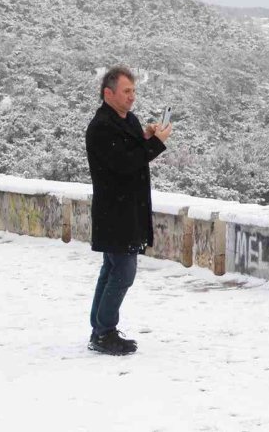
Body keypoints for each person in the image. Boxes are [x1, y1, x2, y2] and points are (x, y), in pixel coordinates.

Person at [85, 65, 171, 355]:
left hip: (129, 210)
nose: (132, 96)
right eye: (126, 91)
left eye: (133, 91)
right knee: (123, 271)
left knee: (112, 269)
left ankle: (100, 329)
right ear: (108, 93)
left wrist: (146, 136)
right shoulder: (101, 127)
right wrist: (157, 144)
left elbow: (131, 150)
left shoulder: (127, 119)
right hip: (115, 212)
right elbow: (124, 163)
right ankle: (104, 332)